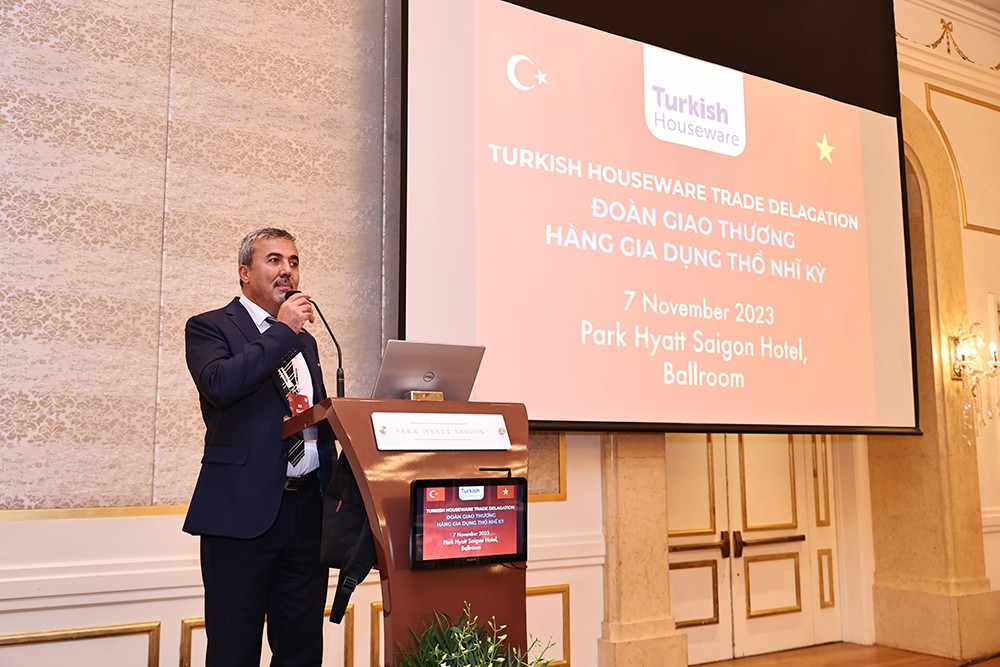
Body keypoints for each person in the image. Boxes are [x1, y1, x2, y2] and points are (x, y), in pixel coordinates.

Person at [183, 227, 334, 667]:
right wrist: (282, 330)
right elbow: (221, 385)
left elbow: (305, 412)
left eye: (294, 261)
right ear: (244, 272)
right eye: (274, 260)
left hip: (306, 513)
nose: (287, 270)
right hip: (240, 512)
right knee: (234, 650)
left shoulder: (305, 340)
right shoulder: (210, 326)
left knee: (301, 649)